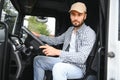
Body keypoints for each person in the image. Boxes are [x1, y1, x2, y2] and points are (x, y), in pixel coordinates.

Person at [33, 2, 96, 80]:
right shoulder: (70, 30)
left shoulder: (89, 33)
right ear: (70, 15)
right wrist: (39, 36)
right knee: (38, 60)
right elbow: (56, 40)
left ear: (85, 16)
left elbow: (81, 58)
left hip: (78, 68)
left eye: (79, 15)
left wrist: (57, 52)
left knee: (59, 67)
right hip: (64, 61)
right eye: (73, 14)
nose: (76, 18)